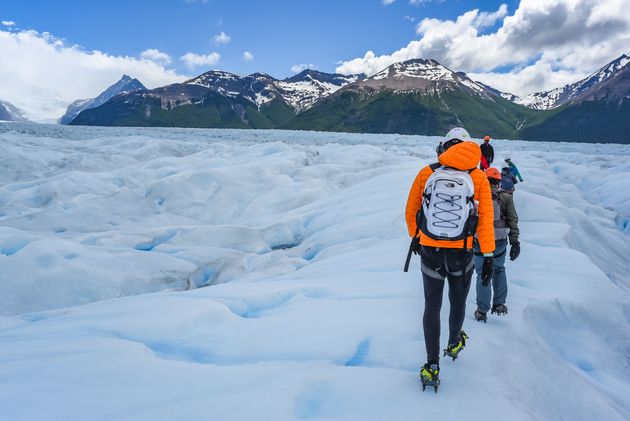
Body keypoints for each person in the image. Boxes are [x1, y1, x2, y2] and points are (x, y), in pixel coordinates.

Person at [405, 127, 495, 392]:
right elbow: (485, 222)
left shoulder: (427, 172)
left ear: (444, 146)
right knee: (458, 302)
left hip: (431, 251)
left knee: (431, 305)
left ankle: (432, 366)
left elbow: (411, 212)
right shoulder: (478, 176)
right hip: (462, 253)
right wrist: (487, 255)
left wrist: (420, 237)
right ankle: (454, 342)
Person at [473, 167, 520, 323]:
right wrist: (515, 241)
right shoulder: (506, 197)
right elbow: (512, 219)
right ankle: (499, 304)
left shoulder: (477, 196)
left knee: (482, 273)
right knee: (499, 269)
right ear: (499, 181)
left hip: (480, 241)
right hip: (499, 241)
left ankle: (482, 310)